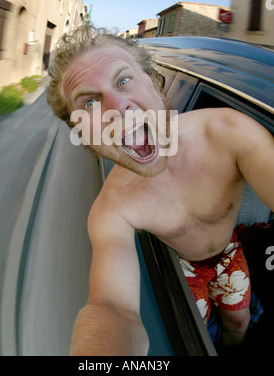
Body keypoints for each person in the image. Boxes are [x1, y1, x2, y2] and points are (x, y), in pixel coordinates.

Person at [46, 25, 274, 356]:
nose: (116, 106)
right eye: (90, 103)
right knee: (202, 330)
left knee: (238, 325)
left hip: (229, 251)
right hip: (184, 267)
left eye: (123, 80)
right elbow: (112, 308)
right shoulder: (111, 209)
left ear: (156, 86)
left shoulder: (231, 134)